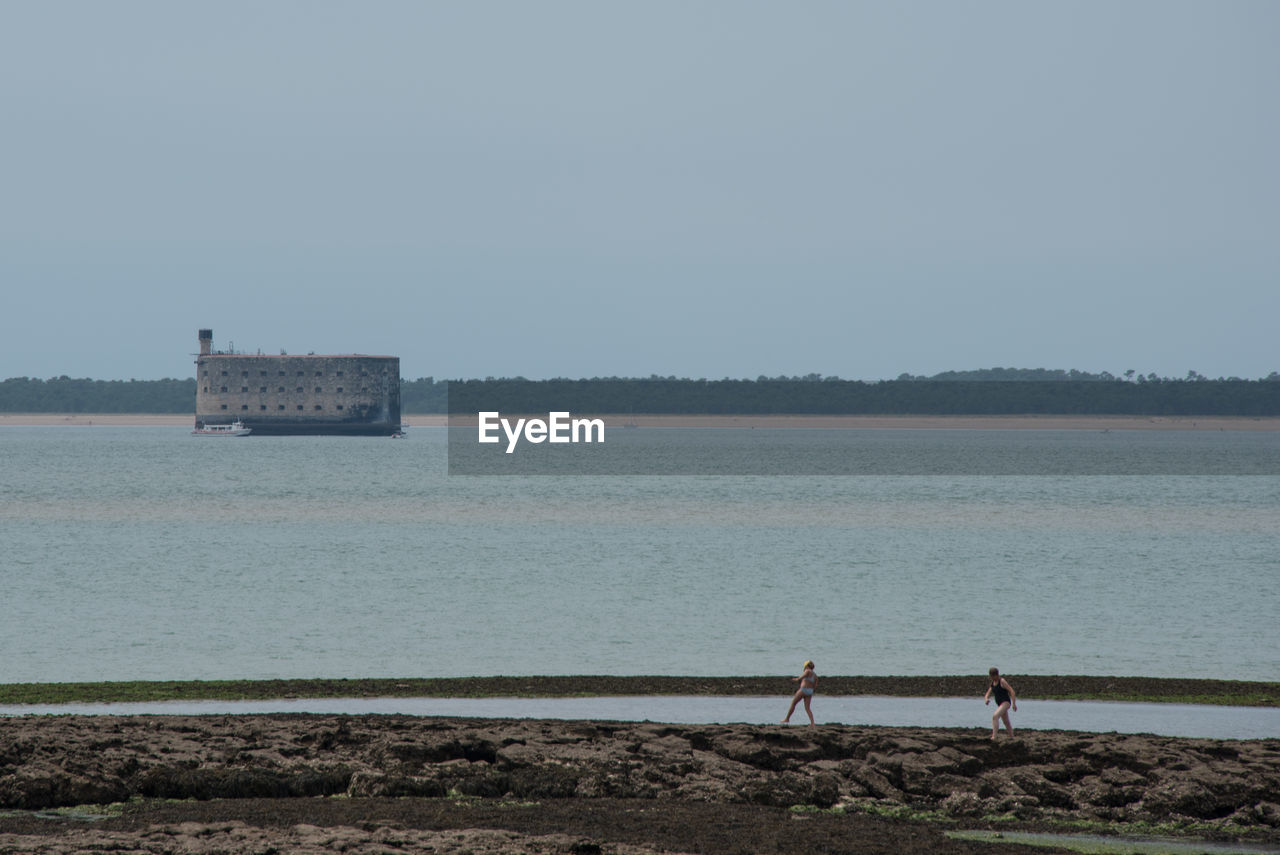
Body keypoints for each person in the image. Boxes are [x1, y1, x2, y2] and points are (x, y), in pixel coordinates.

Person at [983, 667, 1017, 739]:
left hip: (1006, 702)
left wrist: (1014, 704)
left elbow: (1012, 691)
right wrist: (986, 699)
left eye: (992, 676)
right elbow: (987, 694)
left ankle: (994, 736)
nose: (991, 678)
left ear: (996, 675)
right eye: (990, 676)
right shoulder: (993, 683)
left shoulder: (1002, 681)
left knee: (995, 716)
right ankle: (1012, 737)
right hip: (1000, 704)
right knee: (1006, 722)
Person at [781, 660, 817, 725]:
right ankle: (812, 723)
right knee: (807, 708)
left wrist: (797, 679)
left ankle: (787, 719)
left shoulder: (807, 671)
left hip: (803, 690)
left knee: (793, 703)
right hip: (810, 691)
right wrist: (811, 691)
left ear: (806, 666)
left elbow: (803, 676)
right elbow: (815, 686)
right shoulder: (815, 675)